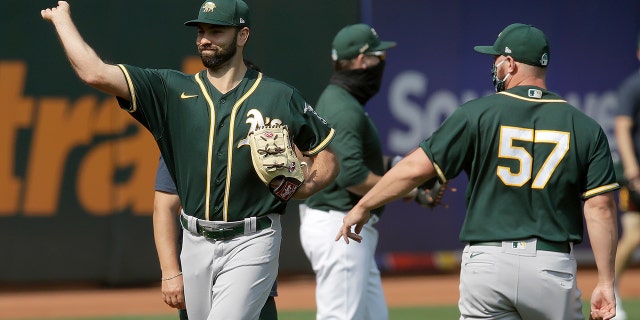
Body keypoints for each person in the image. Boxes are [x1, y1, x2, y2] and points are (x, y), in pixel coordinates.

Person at [41, 1, 339, 319]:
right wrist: (61, 20)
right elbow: (94, 73)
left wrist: (307, 184)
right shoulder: (172, 89)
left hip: (253, 238)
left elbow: (326, 154)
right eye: (201, 31)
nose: (205, 39)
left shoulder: (279, 96)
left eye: (216, 31)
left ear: (243, 35)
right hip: (194, 241)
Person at [336, 23, 620, 320]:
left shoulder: (476, 113)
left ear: (510, 63)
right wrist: (605, 281)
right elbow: (600, 207)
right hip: (550, 264)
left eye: (496, 59)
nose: (494, 66)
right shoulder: (585, 126)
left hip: (488, 264)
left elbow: (413, 169)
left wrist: (365, 204)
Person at [299, 23, 397, 320]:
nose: (382, 63)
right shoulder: (343, 107)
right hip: (340, 227)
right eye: (378, 56)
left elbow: (353, 160)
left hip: (344, 227)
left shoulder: (341, 100)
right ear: (360, 60)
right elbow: (352, 176)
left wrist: (397, 170)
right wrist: (409, 188)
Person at [154, 155, 279, 320]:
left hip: (250, 252)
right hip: (196, 263)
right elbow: (164, 207)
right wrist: (170, 272)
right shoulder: (183, 133)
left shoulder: (259, 132)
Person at [612, 31, 640, 320]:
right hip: (636, 176)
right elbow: (621, 128)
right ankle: (612, 291)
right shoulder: (634, 87)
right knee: (634, 235)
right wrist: (632, 171)